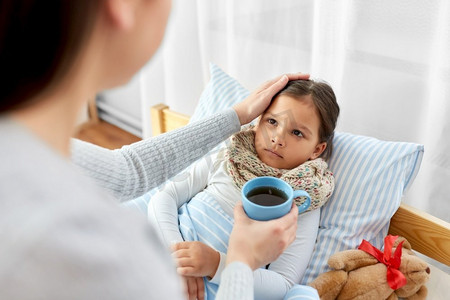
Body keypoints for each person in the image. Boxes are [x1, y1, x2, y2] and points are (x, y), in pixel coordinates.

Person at [0, 1, 310, 299]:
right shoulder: (106, 257)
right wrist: (239, 262)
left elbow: (126, 173)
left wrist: (236, 115)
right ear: (123, 4)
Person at [148, 79, 340, 299]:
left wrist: (215, 264)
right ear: (257, 121)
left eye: (297, 133)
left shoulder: (304, 202)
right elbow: (165, 197)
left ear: (317, 149)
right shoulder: (227, 157)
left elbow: (283, 284)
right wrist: (178, 258)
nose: (277, 138)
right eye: (272, 121)